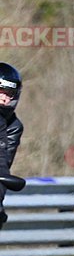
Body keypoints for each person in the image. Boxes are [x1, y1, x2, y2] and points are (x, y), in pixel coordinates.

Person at [0, 63, 24, 230]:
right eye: (1, 92)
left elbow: (3, 163)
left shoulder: (13, 127)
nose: (5, 98)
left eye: (9, 94)